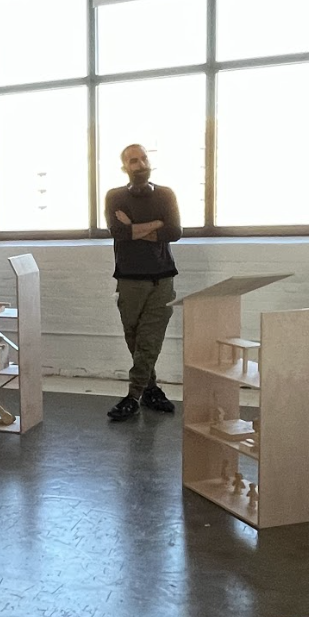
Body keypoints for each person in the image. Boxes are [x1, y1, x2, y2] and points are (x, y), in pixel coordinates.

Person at [103, 143, 183, 422]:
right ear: (125, 167)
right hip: (128, 278)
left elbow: (174, 232)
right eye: (133, 160)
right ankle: (151, 389)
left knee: (150, 339)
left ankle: (133, 396)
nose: (140, 163)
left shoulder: (165, 194)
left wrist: (136, 227)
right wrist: (156, 224)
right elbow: (119, 233)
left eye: (143, 158)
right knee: (135, 338)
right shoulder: (114, 196)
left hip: (162, 277)